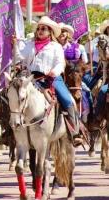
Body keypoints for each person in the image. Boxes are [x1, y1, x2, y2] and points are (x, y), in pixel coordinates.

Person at [13, 16, 83, 146]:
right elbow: (20, 57)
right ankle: (11, 129)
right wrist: (15, 44)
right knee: (13, 96)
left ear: (50, 31)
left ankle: (75, 132)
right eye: (39, 28)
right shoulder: (30, 45)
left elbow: (60, 63)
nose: (40, 31)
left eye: (43, 29)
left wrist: (53, 72)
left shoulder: (55, 46)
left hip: (52, 79)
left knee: (68, 100)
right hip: (32, 78)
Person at [94, 19, 109, 116]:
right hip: (106, 73)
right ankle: (98, 116)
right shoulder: (103, 40)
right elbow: (105, 57)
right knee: (102, 91)